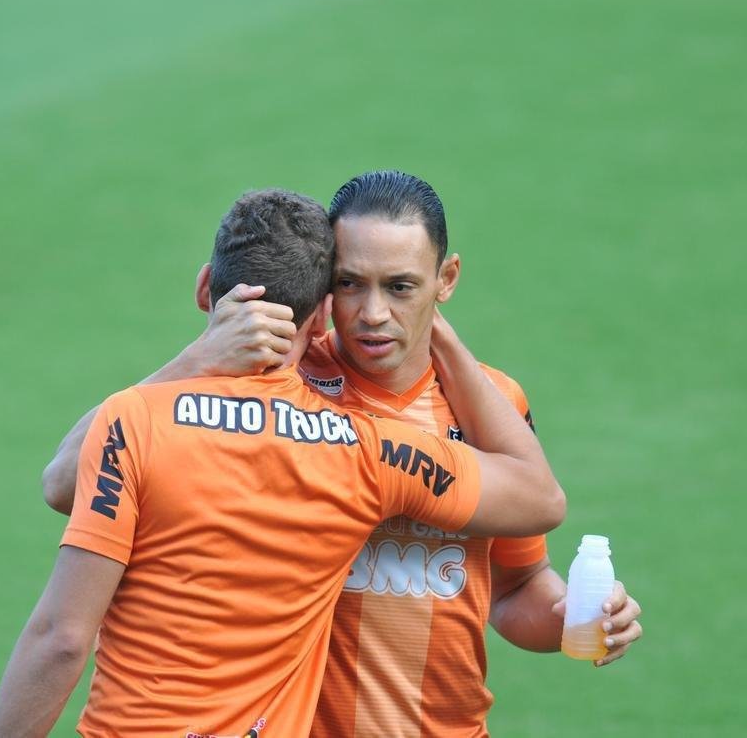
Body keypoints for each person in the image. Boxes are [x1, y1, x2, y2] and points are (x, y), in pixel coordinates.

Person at [42, 171, 643, 736]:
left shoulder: (492, 405)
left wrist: (574, 618)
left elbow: (517, 588)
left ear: (447, 278)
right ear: (324, 292)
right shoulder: (275, 381)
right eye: (350, 283)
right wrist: (200, 360)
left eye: (400, 287)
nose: (372, 313)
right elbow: (71, 479)